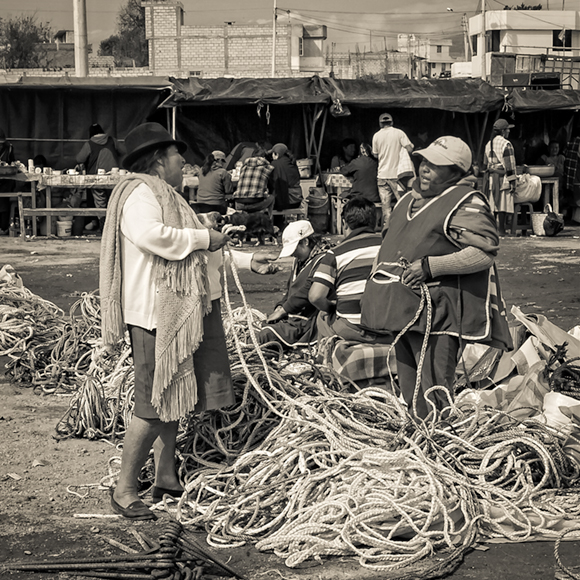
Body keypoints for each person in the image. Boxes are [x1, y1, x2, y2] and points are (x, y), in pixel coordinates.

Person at [100, 122, 275, 520]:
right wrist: (202, 238)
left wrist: (248, 261)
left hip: (186, 310)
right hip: (156, 315)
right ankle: (124, 488)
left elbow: (202, 250)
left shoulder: (172, 198)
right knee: (154, 402)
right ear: (160, 161)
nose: (186, 163)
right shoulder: (140, 195)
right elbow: (154, 237)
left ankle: (166, 476)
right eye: (180, 157)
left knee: (175, 397)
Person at [360, 136, 512, 420]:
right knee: (410, 390)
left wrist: (430, 267)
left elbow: (484, 254)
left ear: (456, 172)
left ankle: (438, 444)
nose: (425, 169)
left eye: (436, 165)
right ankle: (415, 441)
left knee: (433, 393)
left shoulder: (466, 202)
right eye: (424, 161)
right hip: (401, 311)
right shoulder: (407, 199)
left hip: (438, 316)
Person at [309, 196, 389, 344]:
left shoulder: (336, 253)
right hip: (390, 327)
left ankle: (327, 360)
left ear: (345, 225)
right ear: (376, 221)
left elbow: (315, 296)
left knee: (322, 316)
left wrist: (331, 308)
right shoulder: (390, 246)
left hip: (353, 328)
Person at [257, 220, 327, 349]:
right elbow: (290, 289)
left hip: (307, 323)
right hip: (292, 317)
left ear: (305, 242)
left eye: (295, 249)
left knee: (263, 336)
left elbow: (307, 291)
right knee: (258, 327)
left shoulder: (324, 260)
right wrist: (279, 306)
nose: (292, 254)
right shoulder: (299, 261)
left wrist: (283, 310)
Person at [483, 119, 541, 236]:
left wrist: (493, 168)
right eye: (508, 129)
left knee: (493, 204)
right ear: (503, 131)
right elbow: (509, 166)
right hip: (501, 177)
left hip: (491, 178)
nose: (509, 131)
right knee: (502, 203)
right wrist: (513, 182)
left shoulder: (488, 144)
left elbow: (485, 163)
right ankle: (502, 230)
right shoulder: (506, 144)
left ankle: (494, 229)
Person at [76, 123, 122, 231]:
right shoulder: (112, 140)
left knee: (100, 203)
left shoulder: (90, 143)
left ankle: (104, 227)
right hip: (113, 177)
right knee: (114, 200)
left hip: (96, 178)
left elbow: (79, 159)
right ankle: (116, 227)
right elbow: (123, 151)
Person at [372, 113, 414, 230]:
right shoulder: (399, 133)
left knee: (386, 207)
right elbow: (410, 149)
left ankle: (388, 231)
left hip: (382, 176)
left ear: (380, 123)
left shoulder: (376, 136)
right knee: (402, 204)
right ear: (392, 122)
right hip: (397, 176)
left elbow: (375, 154)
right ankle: (403, 228)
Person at [233, 147, 275, 217]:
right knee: (272, 197)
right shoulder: (268, 168)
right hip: (255, 203)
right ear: (264, 157)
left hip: (239, 203)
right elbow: (271, 186)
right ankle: (269, 221)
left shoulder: (244, 167)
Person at [194, 150, 233, 215]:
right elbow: (228, 190)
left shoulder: (201, 170)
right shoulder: (223, 172)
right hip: (216, 206)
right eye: (223, 161)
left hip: (200, 205)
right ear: (220, 160)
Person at [269, 143, 303, 213]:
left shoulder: (275, 164)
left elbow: (273, 183)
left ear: (278, 154)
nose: (272, 156)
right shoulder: (291, 162)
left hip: (286, 201)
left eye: (274, 153)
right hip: (296, 201)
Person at [0, 128, 16, 235]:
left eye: (2, 143)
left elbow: (12, 161)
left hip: (5, 180)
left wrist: (13, 165)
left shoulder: (9, 147)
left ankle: (3, 228)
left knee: (4, 204)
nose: (0, 146)